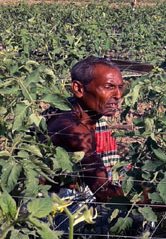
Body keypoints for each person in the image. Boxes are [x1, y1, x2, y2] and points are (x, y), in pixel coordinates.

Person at [45, 57, 128, 204]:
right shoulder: (72, 128)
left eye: (120, 87)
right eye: (109, 87)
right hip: (51, 205)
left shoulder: (89, 115)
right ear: (79, 89)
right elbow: (103, 193)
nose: (118, 95)